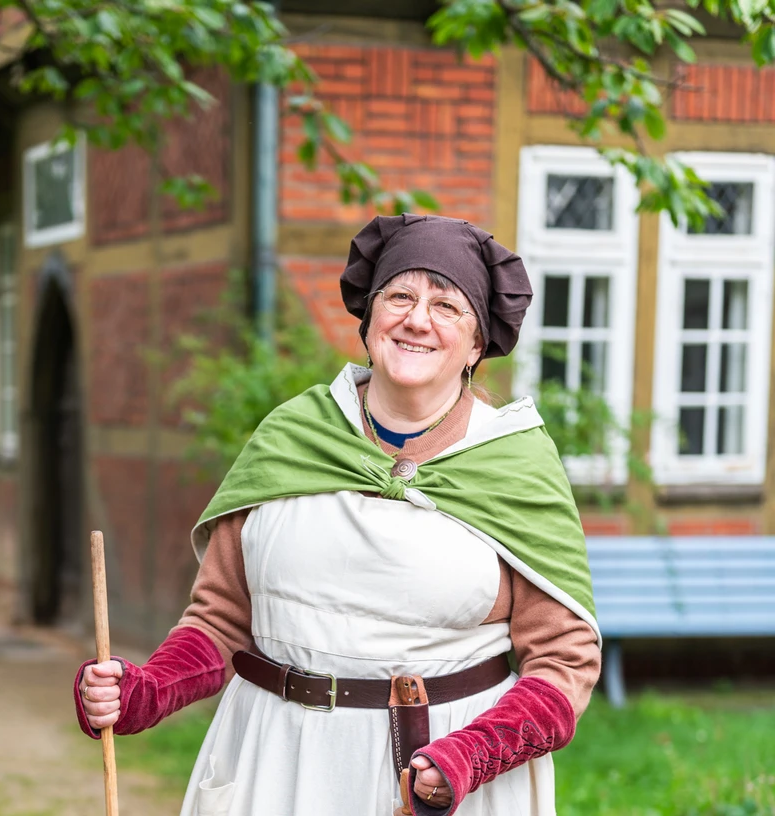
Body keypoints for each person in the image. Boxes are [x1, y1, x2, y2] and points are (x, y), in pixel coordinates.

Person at [75, 214, 602, 816]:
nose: (416, 319)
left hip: (436, 777)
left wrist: (472, 754)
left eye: (446, 305)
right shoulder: (291, 439)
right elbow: (220, 619)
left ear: (477, 342)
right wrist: (145, 690)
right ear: (370, 319)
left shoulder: (513, 465)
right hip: (272, 763)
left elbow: (565, 661)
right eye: (399, 296)